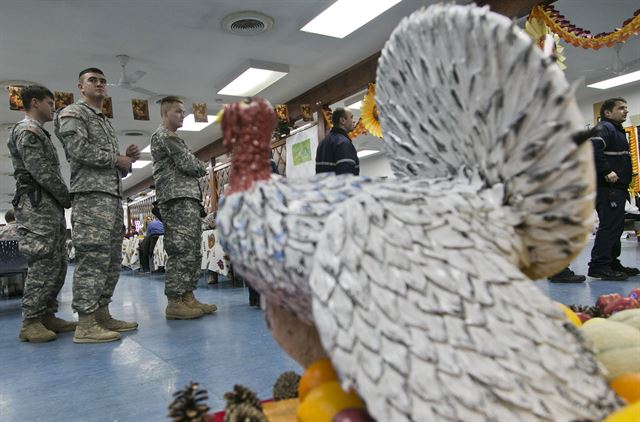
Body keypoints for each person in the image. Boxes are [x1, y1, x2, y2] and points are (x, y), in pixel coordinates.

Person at [54, 68, 140, 343]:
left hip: (111, 197)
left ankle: (102, 313)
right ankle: (86, 323)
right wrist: (116, 159)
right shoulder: (72, 113)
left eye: (103, 80)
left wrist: (125, 162)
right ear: (80, 86)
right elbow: (78, 150)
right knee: (92, 259)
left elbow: (112, 166)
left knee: (111, 259)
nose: (100, 84)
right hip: (91, 199)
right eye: (93, 80)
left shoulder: (103, 120)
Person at [7, 85, 75, 342]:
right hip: (36, 204)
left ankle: (47, 314)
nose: (53, 107)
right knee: (43, 262)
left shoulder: (38, 132)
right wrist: (66, 197)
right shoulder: (28, 131)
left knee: (57, 262)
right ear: (34, 103)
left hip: (47, 205)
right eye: (49, 102)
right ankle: (31, 321)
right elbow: (41, 172)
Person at [151, 96, 216, 319]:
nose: (183, 115)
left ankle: (188, 296)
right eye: (178, 111)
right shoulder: (164, 136)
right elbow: (190, 164)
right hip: (175, 198)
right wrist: (199, 165)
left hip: (186, 198)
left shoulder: (175, 138)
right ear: (165, 113)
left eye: (183, 111)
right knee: (180, 249)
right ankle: (175, 302)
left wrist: (196, 164)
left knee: (191, 249)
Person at [588, 97, 638, 280]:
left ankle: (611, 262)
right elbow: (592, 149)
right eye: (621, 108)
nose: (625, 110)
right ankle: (599, 265)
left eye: (626, 107)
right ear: (607, 113)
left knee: (616, 227)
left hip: (617, 187)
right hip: (607, 187)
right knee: (610, 226)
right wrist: (607, 171)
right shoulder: (604, 128)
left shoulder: (616, 130)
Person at [315, 107, 359, 175]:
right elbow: (346, 176)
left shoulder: (322, 143)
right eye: (351, 117)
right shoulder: (343, 143)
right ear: (342, 120)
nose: (354, 121)